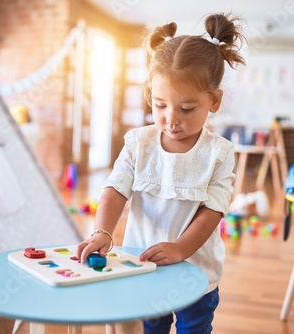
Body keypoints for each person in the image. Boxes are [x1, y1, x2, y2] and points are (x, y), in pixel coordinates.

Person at [77, 12, 246, 334]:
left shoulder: (219, 153)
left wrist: (181, 248)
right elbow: (114, 190)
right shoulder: (139, 142)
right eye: (159, 105)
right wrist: (102, 232)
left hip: (195, 271)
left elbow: (212, 211)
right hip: (144, 266)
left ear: (214, 100)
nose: (171, 119)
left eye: (186, 109)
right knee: (151, 329)